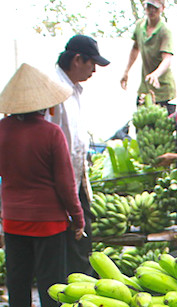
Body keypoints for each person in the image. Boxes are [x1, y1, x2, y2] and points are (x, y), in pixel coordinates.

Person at [0, 64, 86, 307]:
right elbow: (66, 186)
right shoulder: (52, 134)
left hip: (14, 220)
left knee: (17, 279)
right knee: (51, 282)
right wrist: (78, 218)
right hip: (49, 223)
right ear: (45, 105)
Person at [47, 34, 110, 277]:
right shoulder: (54, 90)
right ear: (76, 60)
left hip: (75, 181)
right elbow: (52, 143)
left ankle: (84, 299)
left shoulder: (73, 90)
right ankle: (74, 303)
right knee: (72, 249)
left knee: (82, 244)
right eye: (91, 63)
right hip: (59, 185)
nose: (94, 69)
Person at [120, 0, 176, 112]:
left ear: (162, 8)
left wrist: (156, 74)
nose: (152, 10)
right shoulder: (140, 26)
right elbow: (135, 48)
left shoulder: (164, 30)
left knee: (162, 126)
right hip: (145, 87)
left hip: (163, 89)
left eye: (156, 7)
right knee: (143, 125)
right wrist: (126, 71)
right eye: (149, 6)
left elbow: (167, 58)